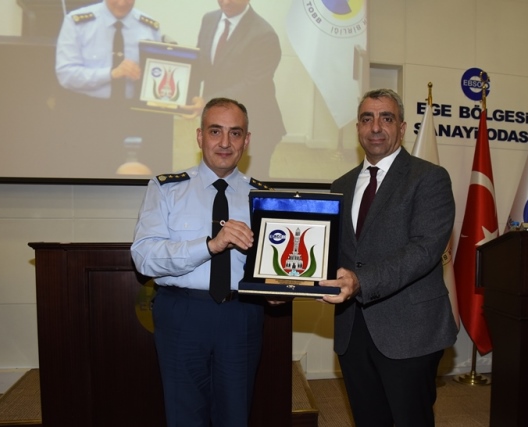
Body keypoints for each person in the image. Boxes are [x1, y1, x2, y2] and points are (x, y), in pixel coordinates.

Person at [319, 88, 458, 426]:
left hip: (409, 330)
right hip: (352, 330)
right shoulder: (340, 185)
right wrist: (286, 282)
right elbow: (329, 251)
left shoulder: (429, 178)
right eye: (367, 119)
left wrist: (361, 281)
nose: (376, 127)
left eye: (386, 118)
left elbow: (424, 250)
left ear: (402, 127)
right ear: (358, 128)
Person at [131, 97, 270, 426]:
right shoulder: (166, 189)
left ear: (247, 141)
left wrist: (279, 290)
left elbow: (271, 266)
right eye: (215, 131)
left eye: (235, 133)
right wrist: (209, 246)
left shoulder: (263, 197)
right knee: (184, 416)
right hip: (183, 314)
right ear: (199, 136)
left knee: (236, 416)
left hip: (241, 315)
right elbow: (144, 257)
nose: (225, 143)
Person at [53, 0, 175, 175]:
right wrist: (111, 73)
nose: (121, 3)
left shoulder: (149, 26)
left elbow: (156, 75)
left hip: (133, 115)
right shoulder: (77, 22)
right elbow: (66, 74)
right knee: (91, 173)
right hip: (88, 114)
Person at [185, 0, 286, 180]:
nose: (226, 2)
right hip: (217, 123)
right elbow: (201, 64)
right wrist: (182, 95)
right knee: (212, 179)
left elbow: (253, 85)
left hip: (255, 125)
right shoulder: (209, 19)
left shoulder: (264, 34)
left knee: (249, 184)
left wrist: (206, 101)